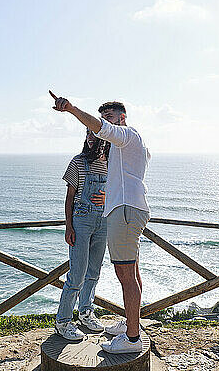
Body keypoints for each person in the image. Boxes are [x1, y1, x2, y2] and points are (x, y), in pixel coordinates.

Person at [51, 90, 150, 354]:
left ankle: (132, 338)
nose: (102, 123)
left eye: (109, 117)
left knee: (124, 275)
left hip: (122, 213)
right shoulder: (117, 151)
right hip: (114, 213)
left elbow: (102, 129)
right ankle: (130, 325)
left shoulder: (126, 135)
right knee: (130, 274)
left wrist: (71, 109)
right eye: (102, 118)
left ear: (122, 118)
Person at [55, 128, 110, 340]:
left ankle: (85, 312)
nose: (90, 137)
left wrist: (107, 196)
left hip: (103, 222)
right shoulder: (77, 162)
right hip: (81, 221)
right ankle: (63, 321)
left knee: (94, 272)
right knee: (76, 274)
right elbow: (69, 198)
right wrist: (69, 227)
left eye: (94, 133)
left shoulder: (110, 163)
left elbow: (117, 190)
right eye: (87, 133)